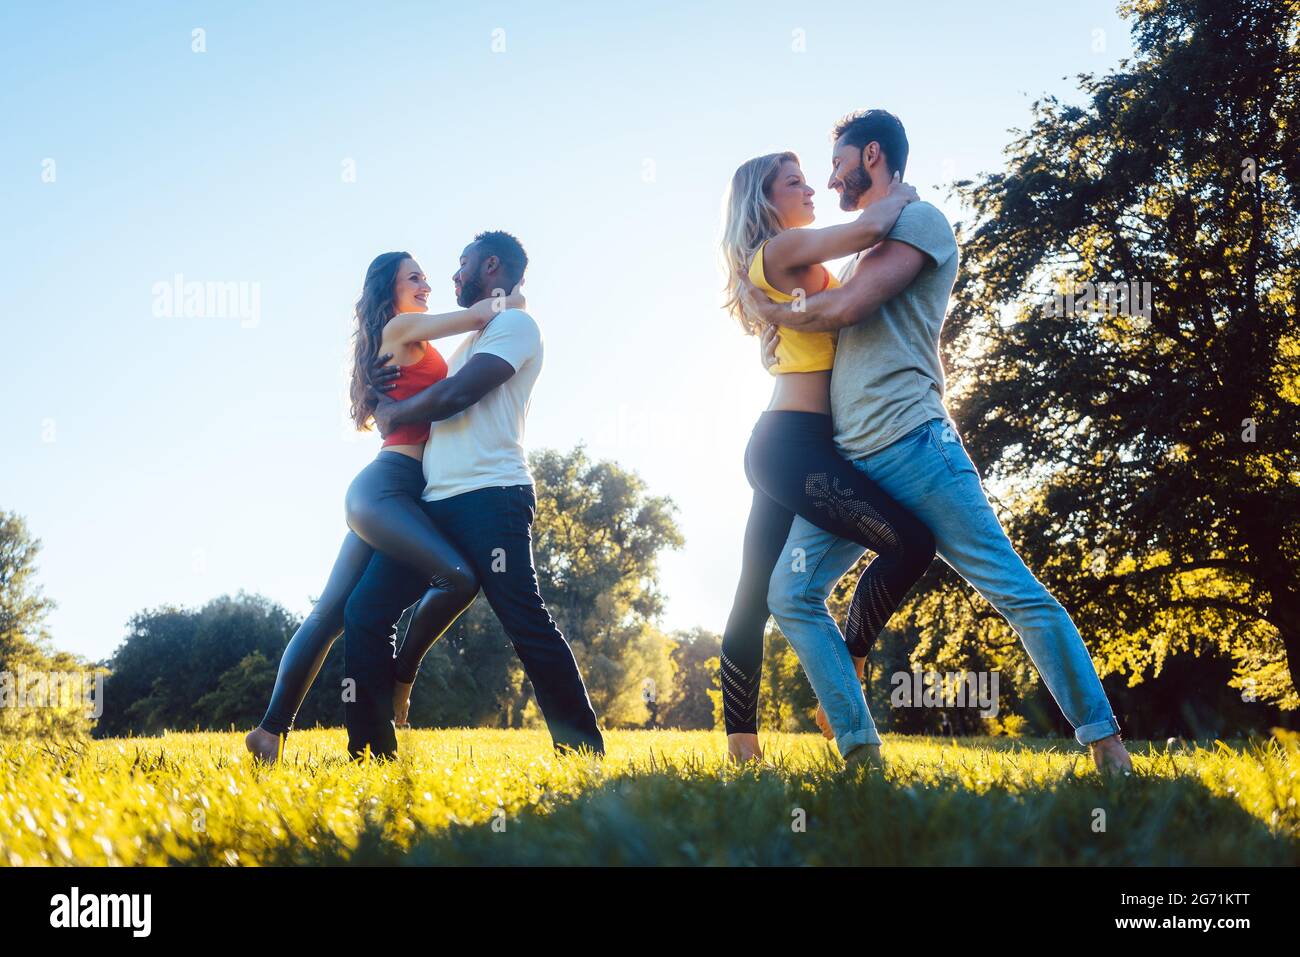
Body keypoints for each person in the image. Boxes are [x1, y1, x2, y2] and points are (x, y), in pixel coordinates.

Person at [739, 109, 1133, 774]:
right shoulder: (866, 239)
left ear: (869, 156)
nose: (827, 175)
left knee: (1015, 591)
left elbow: (848, 308)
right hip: (853, 463)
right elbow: (824, 322)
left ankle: (1107, 746)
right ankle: (860, 751)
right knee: (790, 593)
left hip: (917, 449)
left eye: (834, 162)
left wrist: (773, 311)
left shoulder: (918, 222)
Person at [246, 251, 517, 762]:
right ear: (388, 290)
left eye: (425, 277)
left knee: (331, 614)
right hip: (386, 487)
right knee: (457, 577)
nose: (426, 284)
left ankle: (269, 734)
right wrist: (516, 295)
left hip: (394, 492)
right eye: (414, 277)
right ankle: (398, 679)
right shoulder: (402, 326)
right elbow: (485, 313)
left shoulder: (407, 334)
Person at [348, 230, 605, 757]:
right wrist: (382, 388)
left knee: (525, 621)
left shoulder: (515, 326)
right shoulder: (478, 332)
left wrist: (394, 413)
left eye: (461, 265)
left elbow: (460, 393)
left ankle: (581, 752)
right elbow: (430, 376)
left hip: (492, 496)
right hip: (434, 502)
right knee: (365, 613)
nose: (452, 276)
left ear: (490, 265)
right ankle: (371, 751)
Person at [718, 152, 935, 764]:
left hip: (796, 445)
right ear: (764, 200)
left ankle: (744, 749)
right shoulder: (780, 252)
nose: (811, 187)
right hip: (791, 445)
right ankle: (850, 664)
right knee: (911, 543)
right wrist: (902, 189)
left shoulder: (798, 259)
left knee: (754, 594)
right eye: (794, 182)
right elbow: (871, 227)